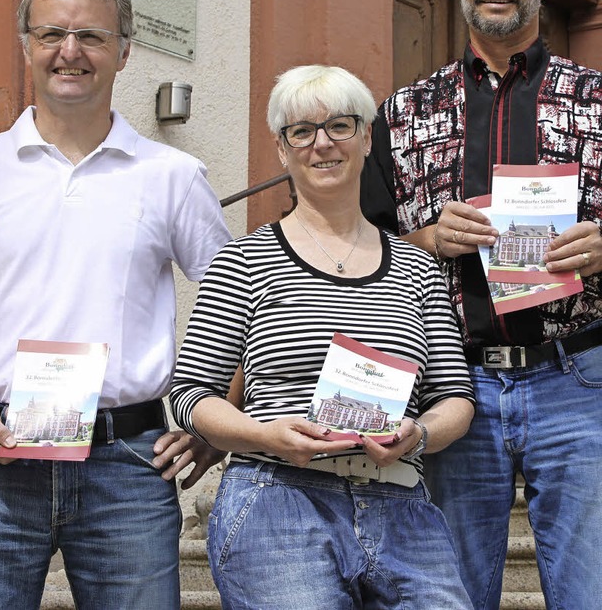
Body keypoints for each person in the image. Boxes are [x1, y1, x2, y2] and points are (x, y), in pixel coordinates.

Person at [0, 0, 231, 610]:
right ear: (28, 45)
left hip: (129, 463)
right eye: (52, 33)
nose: (70, 51)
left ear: (125, 51)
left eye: (91, 36)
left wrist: (215, 422)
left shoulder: (171, 175)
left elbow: (244, 305)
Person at [361, 0, 602, 610]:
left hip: (577, 377)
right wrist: (428, 241)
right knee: (450, 593)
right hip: (454, 388)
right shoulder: (404, 114)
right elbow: (363, 253)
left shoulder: (595, 103)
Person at [170, 64, 475, 610]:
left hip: (401, 502)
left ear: (365, 139)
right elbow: (191, 394)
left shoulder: (418, 267)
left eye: (339, 125)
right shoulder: (243, 259)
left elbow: (453, 398)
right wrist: (265, 433)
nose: (322, 144)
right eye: (301, 131)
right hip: (277, 498)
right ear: (282, 151)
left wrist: (419, 434)